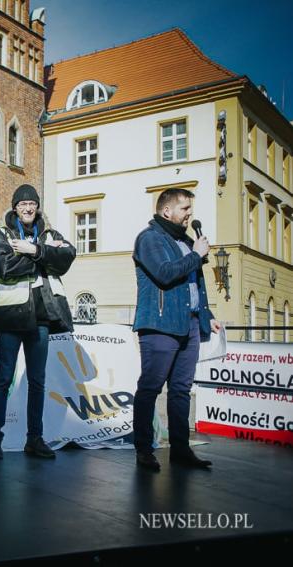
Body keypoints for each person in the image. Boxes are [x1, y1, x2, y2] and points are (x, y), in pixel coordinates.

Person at [132, 188, 222, 471]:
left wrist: (207, 315)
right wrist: (196, 255)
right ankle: (144, 450)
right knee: (150, 387)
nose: (189, 215)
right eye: (184, 209)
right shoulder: (150, 239)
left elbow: (192, 286)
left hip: (190, 323)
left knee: (181, 389)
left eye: (190, 210)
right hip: (160, 323)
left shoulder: (185, 241)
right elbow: (166, 273)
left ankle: (181, 450)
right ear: (166, 211)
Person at [0, 185, 76, 460]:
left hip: (42, 315)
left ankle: (34, 439)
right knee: (3, 379)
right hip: (11, 314)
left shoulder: (49, 233)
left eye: (32, 204)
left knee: (38, 381)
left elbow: (68, 257)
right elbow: (4, 268)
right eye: (22, 204)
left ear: (37, 207)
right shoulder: (2, 233)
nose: (27, 208)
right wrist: (45, 256)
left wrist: (32, 249)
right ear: (15, 207)